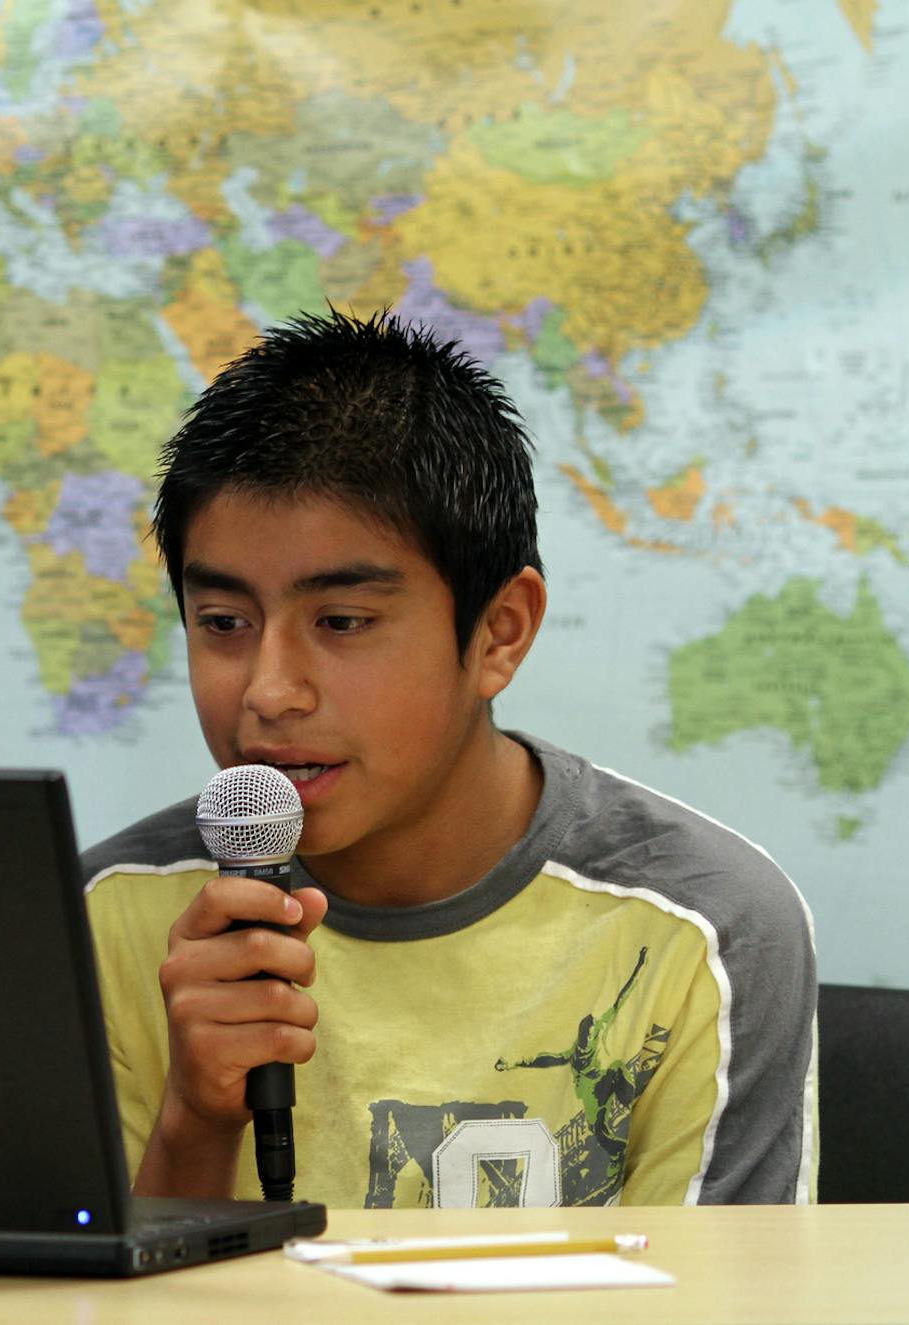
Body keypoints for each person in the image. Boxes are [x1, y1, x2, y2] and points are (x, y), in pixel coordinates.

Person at [80, 310, 816, 1208]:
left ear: (500, 633)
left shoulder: (702, 928)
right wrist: (197, 1120)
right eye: (224, 624)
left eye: (342, 622)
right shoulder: (104, 917)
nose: (268, 691)